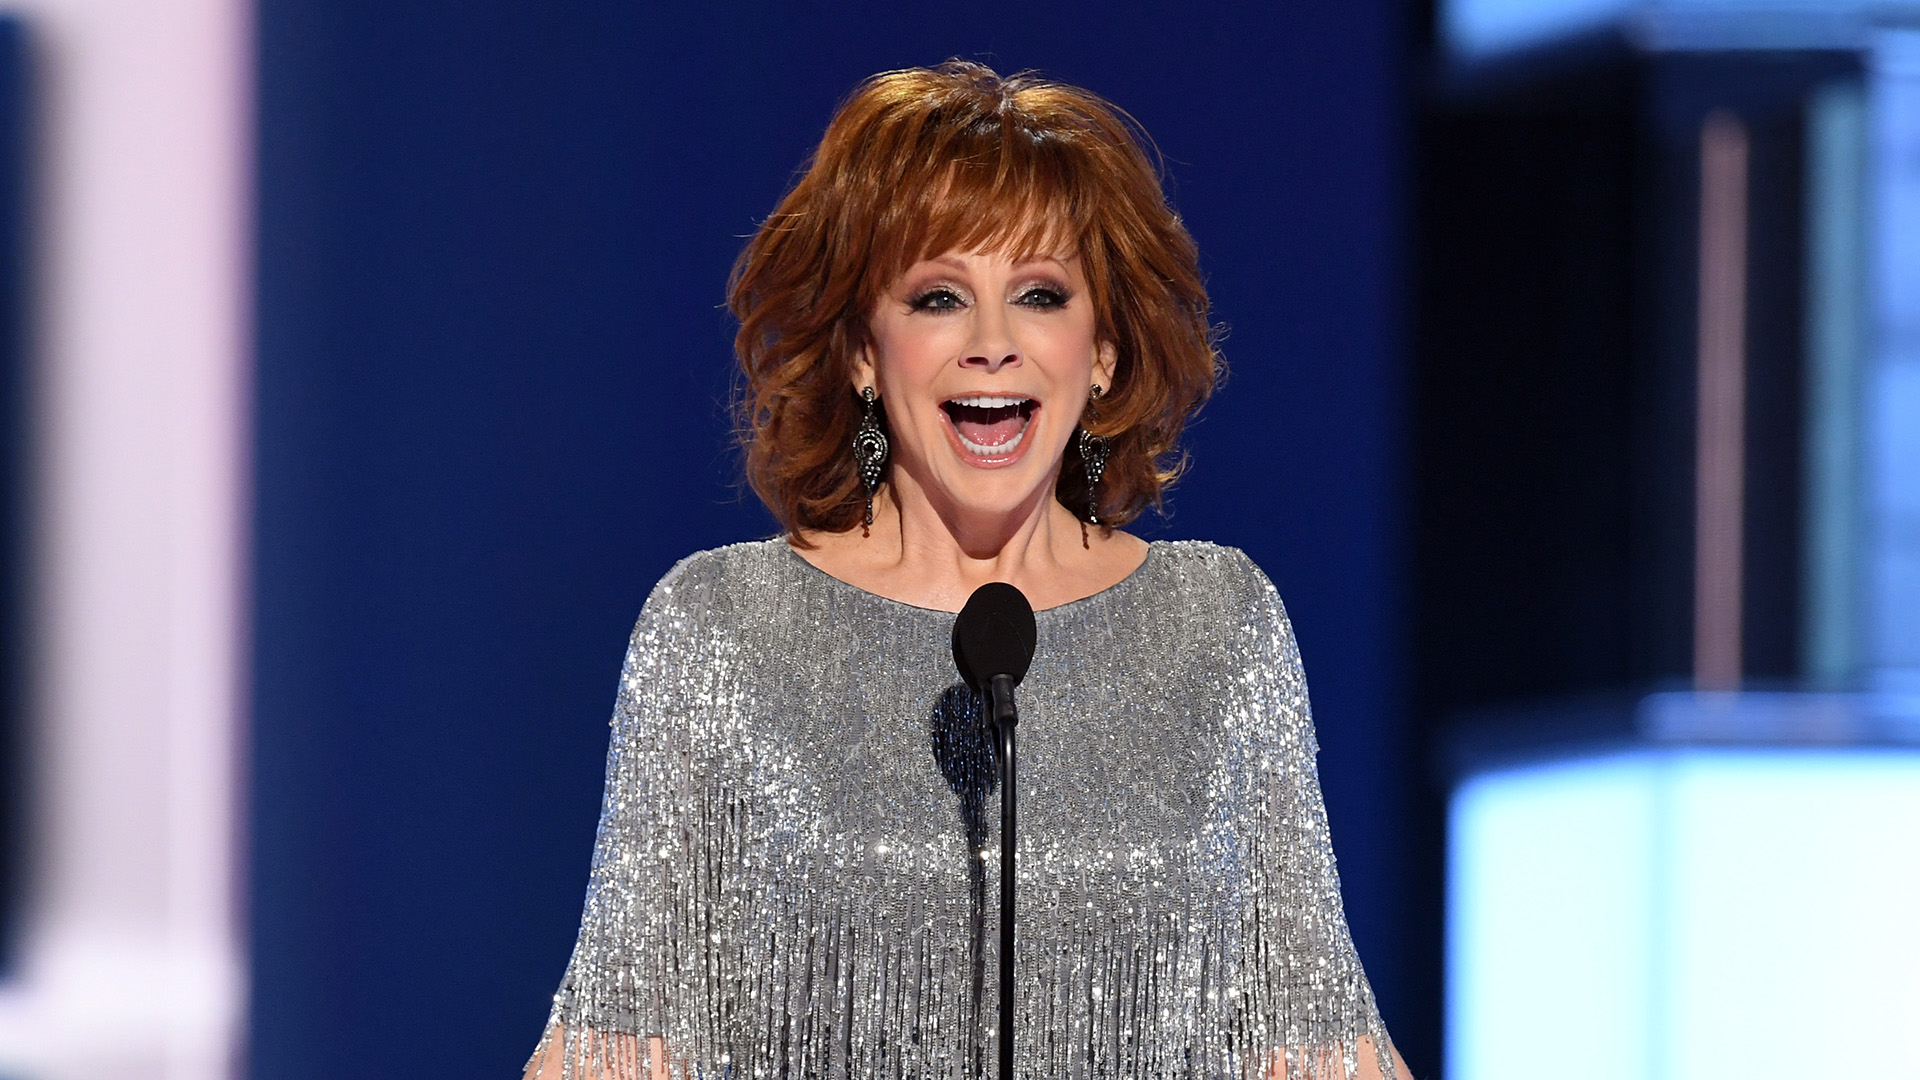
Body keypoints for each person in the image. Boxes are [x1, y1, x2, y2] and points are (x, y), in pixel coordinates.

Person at [524, 60, 1411, 1080]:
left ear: (1104, 352)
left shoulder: (1219, 627)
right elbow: (616, 1041)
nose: (993, 344)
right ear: (864, 349)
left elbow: (1317, 1038)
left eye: (1039, 295)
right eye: (940, 296)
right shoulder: (719, 630)